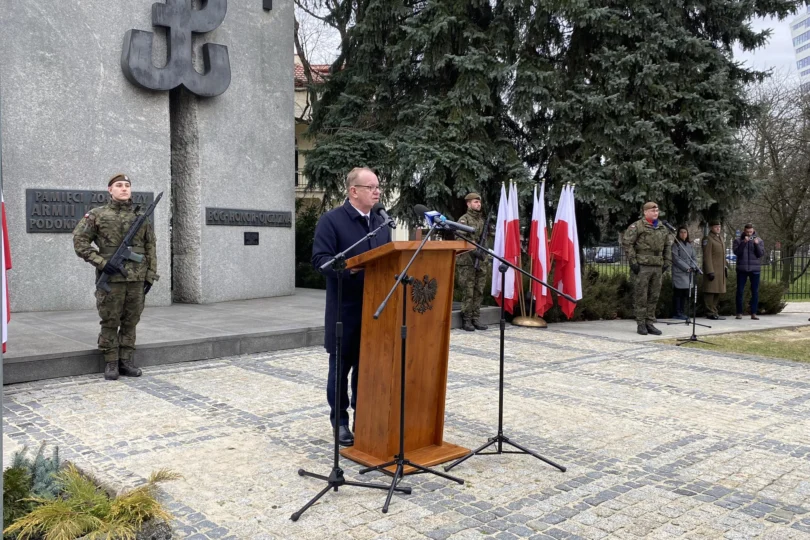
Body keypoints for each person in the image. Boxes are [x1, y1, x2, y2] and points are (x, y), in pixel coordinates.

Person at [311, 167, 392, 447]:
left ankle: (364, 417)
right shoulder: (332, 221)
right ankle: (340, 422)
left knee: (367, 369)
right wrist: (350, 269)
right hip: (344, 310)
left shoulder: (382, 223)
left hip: (375, 311)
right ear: (353, 191)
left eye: (378, 187)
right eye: (370, 187)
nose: (377, 191)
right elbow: (320, 260)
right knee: (341, 368)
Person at [73, 174, 158, 381]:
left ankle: (126, 360)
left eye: (127, 186)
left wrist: (150, 274)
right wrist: (102, 263)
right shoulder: (97, 215)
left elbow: (150, 247)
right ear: (109, 190)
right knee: (110, 320)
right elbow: (80, 242)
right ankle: (111, 361)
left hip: (136, 279)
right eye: (118, 185)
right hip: (111, 280)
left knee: (131, 320)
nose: (123, 189)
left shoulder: (141, 217)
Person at [623, 201, 672, 336]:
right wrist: (633, 261)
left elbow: (668, 245)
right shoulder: (637, 226)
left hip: (657, 265)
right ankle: (641, 323)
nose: (655, 213)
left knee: (654, 295)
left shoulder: (662, 227)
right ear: (645, 212)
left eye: (657, 211)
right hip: (643, 264)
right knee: (641, 295)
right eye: (652, 211)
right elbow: (627, 243)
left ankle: (650, 322)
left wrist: (667, 261)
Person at [456, 193, 489, 331]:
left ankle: (475, 317)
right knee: (468, 291)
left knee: (478, 290)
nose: (478, 204)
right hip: (467, 262)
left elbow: (485, 240)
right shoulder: (464, 220)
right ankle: (466, 319)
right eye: (475, 202)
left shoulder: (481, 221)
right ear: (468, 204)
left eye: (479, 202)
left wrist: (483, 253)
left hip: (480, 261)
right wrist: (472, 250)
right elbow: (459, 238)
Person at [733, 223, 765, 320]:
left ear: (753, 230)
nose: (749, 234)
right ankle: (739, 312)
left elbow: (760, 254)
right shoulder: (738, 240)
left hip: (754, 270)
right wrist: (744, 243)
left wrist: (756, 244)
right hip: (742, 269)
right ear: (744, 231)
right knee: (740, 291)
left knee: (755, 291)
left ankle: (754, 313)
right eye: (747, 232)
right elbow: (737, 252)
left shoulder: (759, 240)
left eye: (751, 232)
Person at [702, 219, 727, 320]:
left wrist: (725, 267)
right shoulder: (708, 239)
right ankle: (709, 312)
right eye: (716, 226)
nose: (718, 228)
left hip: (720, 270)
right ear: (711, 227)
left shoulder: (720, 238)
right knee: (710, 291)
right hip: (712, 269)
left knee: (717, 291)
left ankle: (714, 310)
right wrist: (709, 271)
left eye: (719, 226)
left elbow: (723, 255)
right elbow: (707, 256)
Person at [670, 226, 695, 320]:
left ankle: (682, 311)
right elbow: (676, 259)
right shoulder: (675, 245)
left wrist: (693, 266)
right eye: (681, 232)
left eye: (685, 232)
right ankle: (676, 312)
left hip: (688, 273)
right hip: (679, 273)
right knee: (678, 293)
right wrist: (687, 268)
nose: (683, 234)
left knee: (685, 294)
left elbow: (694, 258)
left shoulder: (689, 245)